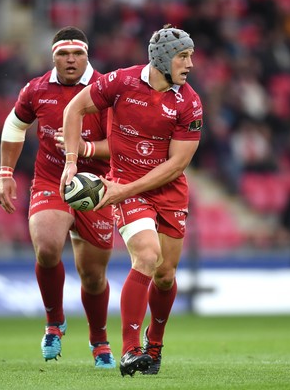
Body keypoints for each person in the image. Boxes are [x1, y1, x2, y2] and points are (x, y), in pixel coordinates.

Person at [60, 24, 203, 376]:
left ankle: (155, 345)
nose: (190, 64)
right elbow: (74, 110)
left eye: (191, 57)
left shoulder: (190, 102)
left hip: (166, 189)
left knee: (166, 275)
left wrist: (125, 190)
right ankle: (129, 350)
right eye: (184, 57)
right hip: (123, 183)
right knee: (147, 256)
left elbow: (178, 164)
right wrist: (72, 162)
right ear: (164, 58)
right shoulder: (121, 83)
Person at [0, 26, 116, 369]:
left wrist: (86, 148)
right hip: (52, 180)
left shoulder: (106, 91)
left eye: (77, 53)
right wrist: (6, 173)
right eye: (63, 54)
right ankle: (54, 322)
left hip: (96, 187)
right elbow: (14, 126)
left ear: (87, 55)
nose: (70, 60)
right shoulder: (36, 90)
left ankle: (99, 341)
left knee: (93, 276)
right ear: (53, 57)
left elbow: (120, 145)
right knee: (47, 247)